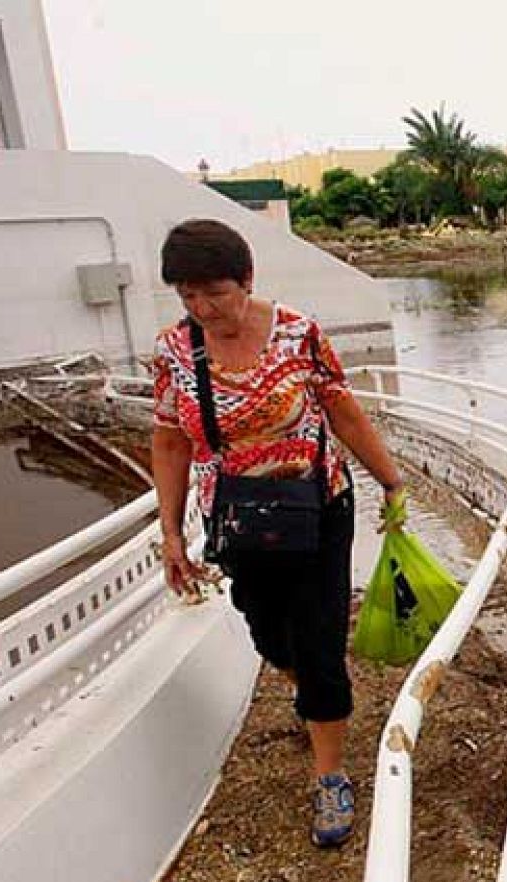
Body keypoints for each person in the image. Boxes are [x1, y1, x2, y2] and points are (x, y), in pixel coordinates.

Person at [150, 218, 405, 849]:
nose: (203, 308)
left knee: (319, 641)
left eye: (214, 292)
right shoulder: (176, 353)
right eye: (188, 296)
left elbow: (342, 406)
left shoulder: (298, 333)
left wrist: (392, 482)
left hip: (318, 507)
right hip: (236, 516)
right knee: (268, 633)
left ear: (247, 280)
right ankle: (311, 695)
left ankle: (331, 774)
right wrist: (172, 534)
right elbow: (170, 438)